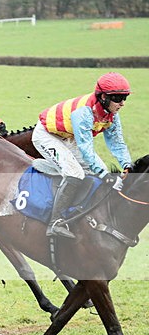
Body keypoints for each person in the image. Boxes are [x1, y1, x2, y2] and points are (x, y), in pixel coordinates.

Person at [32, 72, 133, 238]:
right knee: (75, 173)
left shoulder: (112, 115)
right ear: (103, 97)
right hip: (47, 135)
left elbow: (117, 143)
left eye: (125, 98)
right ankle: (54, 223)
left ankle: (80, 212)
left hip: (69, 138)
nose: (122, 103)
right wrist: (105, 175)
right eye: (117, 98)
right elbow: (86, 149)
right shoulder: (84, 112)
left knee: (98, 170)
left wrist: (128, 165)